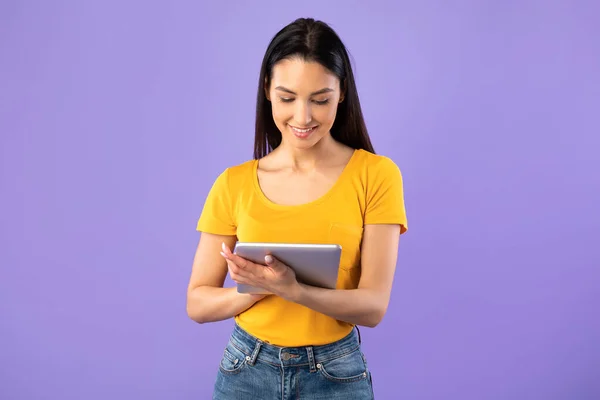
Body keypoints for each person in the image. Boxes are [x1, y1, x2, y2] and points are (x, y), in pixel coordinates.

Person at [186, 17, 408, 399]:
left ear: (341, 94)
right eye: (287, 98)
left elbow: (372, 307)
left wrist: (293, 289)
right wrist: (254, 291)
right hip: (246, 369)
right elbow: (197, 302)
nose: (303, 117)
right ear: (268, 91)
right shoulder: (233, 183)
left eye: (320, 99)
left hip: (334, 372)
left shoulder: (376, 175)